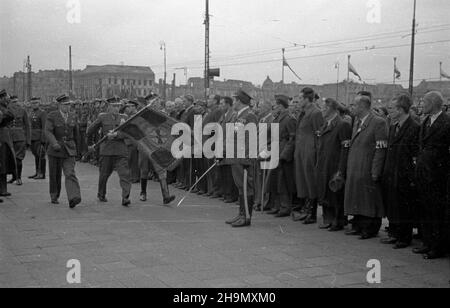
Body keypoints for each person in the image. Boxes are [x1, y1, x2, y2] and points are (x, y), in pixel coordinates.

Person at [344, 94, 388, 240]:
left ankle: (370, 228)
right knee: (358, 197)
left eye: (354, 105)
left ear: (362, 106)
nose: (352, 108)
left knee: (369, 200)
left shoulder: (378, 122)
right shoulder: (357, 122)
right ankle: (359, 225)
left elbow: (381, 148)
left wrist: (375, 170)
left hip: (367, 167)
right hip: (356, 167)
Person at [414, 91, 450, 259]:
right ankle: (427, 242)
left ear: (435, 103)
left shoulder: (446, 122)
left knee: (437, 212)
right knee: (425, 209)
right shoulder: (425, 121)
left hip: (438, 175)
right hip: (423, 173)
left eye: (425, 101)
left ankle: (437, 247)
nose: (422, 104)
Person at [381, 94, 420, 249]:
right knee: (393, 203)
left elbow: (415, 153)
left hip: (404, 173)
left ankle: (404, 237)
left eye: (391, 108)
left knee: (404, 206)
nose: (389, 111)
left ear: (400, 109)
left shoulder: (414, 127)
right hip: (392, 171)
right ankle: (394, 233)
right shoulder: (393, 126)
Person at [87, 98, 132, 207]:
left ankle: (125, 197)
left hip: (121, 151)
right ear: (109, 107)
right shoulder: (102, 117)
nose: (116, 108)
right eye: (114, 106)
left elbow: (129, 133)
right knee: (104, 174)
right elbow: (90, 130)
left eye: (118, 106)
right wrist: (90, 144)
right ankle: (101, 194)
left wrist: (117, 135)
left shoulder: (124, 118)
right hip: (107, 151)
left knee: (124, 174)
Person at [223, 90, 258, 228]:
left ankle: (246, 216)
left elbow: (251, 138)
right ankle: (241, 213)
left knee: (245, 186)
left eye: (236, 100)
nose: (234, 102)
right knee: (240, 186)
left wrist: (247, 158)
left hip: (243, 158)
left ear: (240, 101)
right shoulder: (239, 115)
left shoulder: (249, 116)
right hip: (236, 156)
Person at [316, 98, 352, 231]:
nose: (322, 110)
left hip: (335, 164)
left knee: (335, 192)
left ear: (333, 109)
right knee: (326, 191)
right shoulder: (326, 124)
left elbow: (345, 148)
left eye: (325, 108)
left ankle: (338, 220)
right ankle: (328, 218)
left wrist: (341, 169)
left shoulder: (342, 125)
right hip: (324, 163)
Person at [293, 88, 324, 224]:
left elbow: (319, 135)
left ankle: (311, 213)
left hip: (310, 152)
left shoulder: (315, 112)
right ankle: (305, 210)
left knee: (310, 181)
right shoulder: (303, 112)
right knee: (303, 181)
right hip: (301, 151)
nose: (298, 101)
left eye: (300, 98)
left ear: (307, 99)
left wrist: (316, 154)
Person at [45, 94, 82, 208]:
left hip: (69, 149)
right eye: (65, 105)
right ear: (59, 105)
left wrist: (79, 150)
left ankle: (73, 197)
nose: (68, 107)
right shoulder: (52, 115)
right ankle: (54, 195)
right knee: (55, 174)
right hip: (55, 149)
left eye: (69, 105)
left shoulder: (73, 116)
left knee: (70, 173)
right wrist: (54, 143)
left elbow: (77, 134)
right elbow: (48, 131)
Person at [266, 95, 296, 218]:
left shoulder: (289, 119)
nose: (275, 107)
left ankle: (285, 207)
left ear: (282, 105)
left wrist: (285, 154)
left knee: (282, 181)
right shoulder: (277, 118)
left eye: (277, 105)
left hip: (282, 152)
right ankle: (277, 205)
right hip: (275, 150)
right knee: (275, 180)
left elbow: (292, 138)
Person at [218, 96, 239, 204]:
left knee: (230, 173)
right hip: (222, 147)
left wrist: (225, 148)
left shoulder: (234, 115)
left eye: (222, 104)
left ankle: (231, 195)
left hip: (229, 148)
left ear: (228, 104)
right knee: (224, 172)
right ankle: (226, 193)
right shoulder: (223, 116)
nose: (221, 106)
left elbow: (231, 134)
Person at [7, 96, 31, 185]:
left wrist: (28, 140)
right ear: (10, 102)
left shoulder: (22, 110)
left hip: (20, 137)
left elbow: (27, 125)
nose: (16, 103)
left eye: (17, 101)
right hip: (9, 137)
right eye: (13, 102)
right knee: (10, 158)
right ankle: (14, 177)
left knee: (18, 158)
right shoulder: (6, 110)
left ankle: (18, 178)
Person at [0, 90, 16, 198]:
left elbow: (11, 115)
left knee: (4, 164)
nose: (8, 99)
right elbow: (10, 116)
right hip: (1, 137)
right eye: (6, 97)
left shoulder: (4, 107)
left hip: (4, 137)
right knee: (2, 164)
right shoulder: (2, 108)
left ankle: (3, 190)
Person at [28, 97, 47, 179]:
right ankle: (37, 172)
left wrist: (43, 139)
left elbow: (44, 126)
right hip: (32, 137)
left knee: (41, 155)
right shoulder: (31, 113)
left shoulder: (42, 113)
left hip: (39, 137)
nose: (34, 105)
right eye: (32, 103)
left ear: (39, 103)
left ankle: (42, 173)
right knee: (36, 155)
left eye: (36, 103)